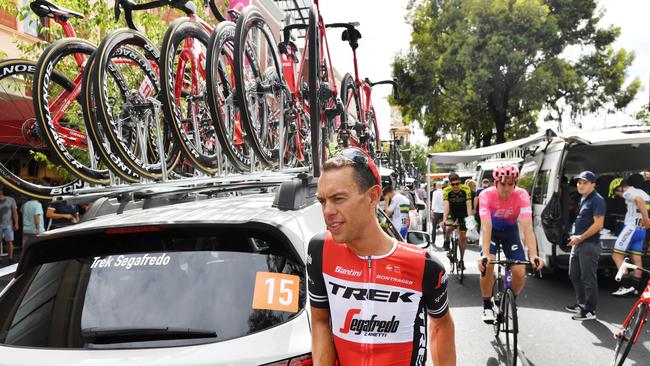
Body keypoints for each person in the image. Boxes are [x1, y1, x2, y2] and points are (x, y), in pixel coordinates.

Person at [308, 147, 456, 366]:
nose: (327, 210)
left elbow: (442, 325)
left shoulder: (424, 265)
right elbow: (319, 322)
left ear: (373, 197)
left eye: (338, 199)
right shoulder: (321, 250)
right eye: (322, 201)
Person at [477, 164, 544, 324]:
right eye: (503, 184)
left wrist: (534, 254)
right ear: (495, 183)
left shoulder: (522, 195)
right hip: (491, 231)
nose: (507, 188)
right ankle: (487, 305)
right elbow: (486, 225)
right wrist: (485, 254)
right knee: (488, 265)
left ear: (515, 183)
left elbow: (527, 226)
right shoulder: (486, 195)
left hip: (510, 233)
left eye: (511, 184)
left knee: (520, 271)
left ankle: (510, 300)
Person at [565, 171, 605, 321]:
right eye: (579, 182)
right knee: (574, 274)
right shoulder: (584, 198)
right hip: (579, 243)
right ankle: (581, 304)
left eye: (584, 182)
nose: (580, 185)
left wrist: (580, 237)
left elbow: (599, 224)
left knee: (588, 279)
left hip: (589, 245)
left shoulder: (597, 200)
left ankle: (589, 311)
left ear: (593, 184)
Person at [609, 177, 650, 296]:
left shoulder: (627, 192)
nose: (618, 195)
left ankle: (626, 286)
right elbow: (644, 202)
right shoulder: (642, 192)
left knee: (616, 256)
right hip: (641, 230)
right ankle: (636, 288)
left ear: (619, 188)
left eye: (616, 192)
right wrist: (646, 219)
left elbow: (639, 201)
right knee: (636, 258)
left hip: (631, 229)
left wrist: (646, 219)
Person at [442, 172, 473, 269]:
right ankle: (446, 241)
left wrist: (470, 219)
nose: (455, 186)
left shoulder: (466, 189)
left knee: (463, 237)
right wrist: (444, 219)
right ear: (449, 184)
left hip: (463, 212)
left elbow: (469, 205)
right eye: (453, 184)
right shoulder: (446, 191)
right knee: (449, 228)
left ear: (460, 182)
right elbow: (446, 206)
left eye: (457, 184)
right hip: (452, 212)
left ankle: (462, 260)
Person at [0, 187, 19, 262]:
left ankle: (10, 257)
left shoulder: (11, 200)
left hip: (8, 224)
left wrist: (16, 223)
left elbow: (15, 213)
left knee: (9, 241)